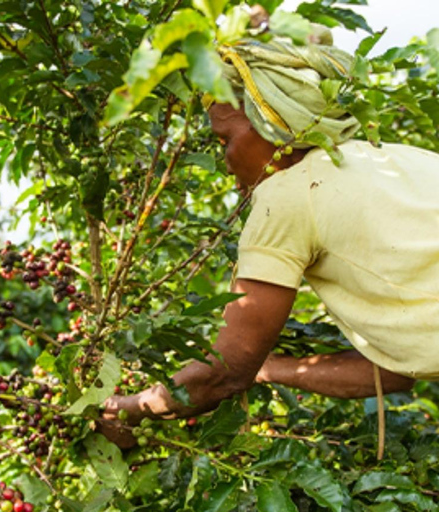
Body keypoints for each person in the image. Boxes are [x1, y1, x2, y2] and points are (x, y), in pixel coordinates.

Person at [100, 36, 438, 448]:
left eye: (225, 139)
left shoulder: (288, 194)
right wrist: (270, 368)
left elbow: (222, 373)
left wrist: (127, 408)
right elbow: (396, 369)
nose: (225, 162)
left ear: (273, 123)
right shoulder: (402, 159)